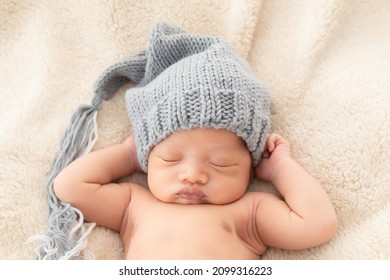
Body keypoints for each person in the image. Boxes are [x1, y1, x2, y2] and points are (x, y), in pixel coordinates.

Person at [53, 22, 337, 259]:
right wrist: (128, 154)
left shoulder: (249, 212)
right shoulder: (134, 204)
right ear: (147, 159)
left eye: (221, 164)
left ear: (251, 167)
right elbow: (69, 187)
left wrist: (280, 168)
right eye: (170, 159)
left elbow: (317, 224)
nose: (193, 175)